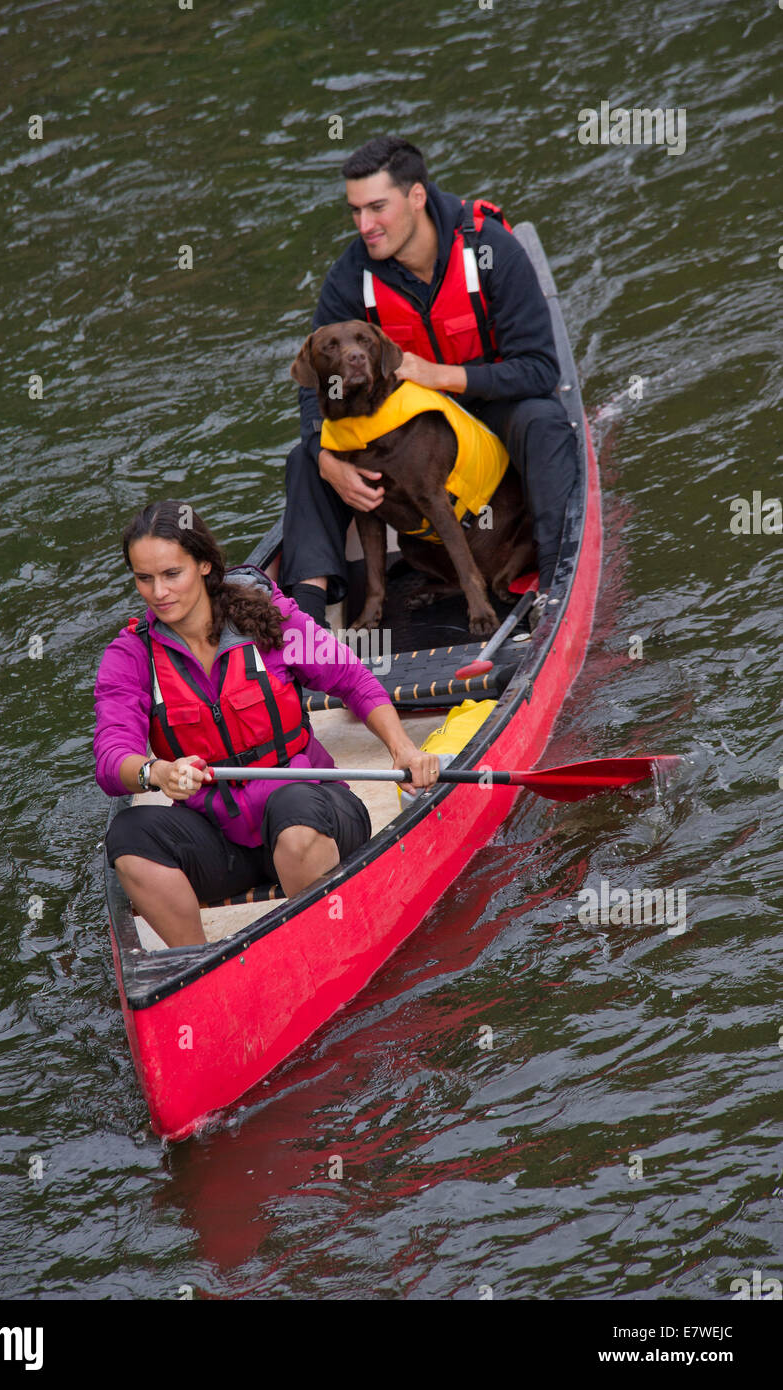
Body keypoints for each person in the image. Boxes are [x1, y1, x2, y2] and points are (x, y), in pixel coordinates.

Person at [94, 500, 440, 948]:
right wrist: (153, 772)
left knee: (295, 815)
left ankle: (320, 947)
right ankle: (198, 968)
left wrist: (403, 750)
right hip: (221, 840)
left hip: (314, 812)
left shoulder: (266, 619)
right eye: (145, 579)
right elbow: (111, 757)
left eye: (171, 574)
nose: (158, 592)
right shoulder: (131, 656)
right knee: (128, 836)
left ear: (203, 565)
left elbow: (353, 681)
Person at [281, 135, 578, 626]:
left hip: (491, 405)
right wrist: (325, 456)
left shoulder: (491, 250)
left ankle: (555, 581)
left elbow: (541, 370)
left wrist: (442, 376)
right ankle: (307, 621)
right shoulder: (349, 276)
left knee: (542, 419)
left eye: (377, 207)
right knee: (304, 460)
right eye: (355, 211)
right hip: (407, 428)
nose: (364, 226)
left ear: (417, 196)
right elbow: (313, 389)